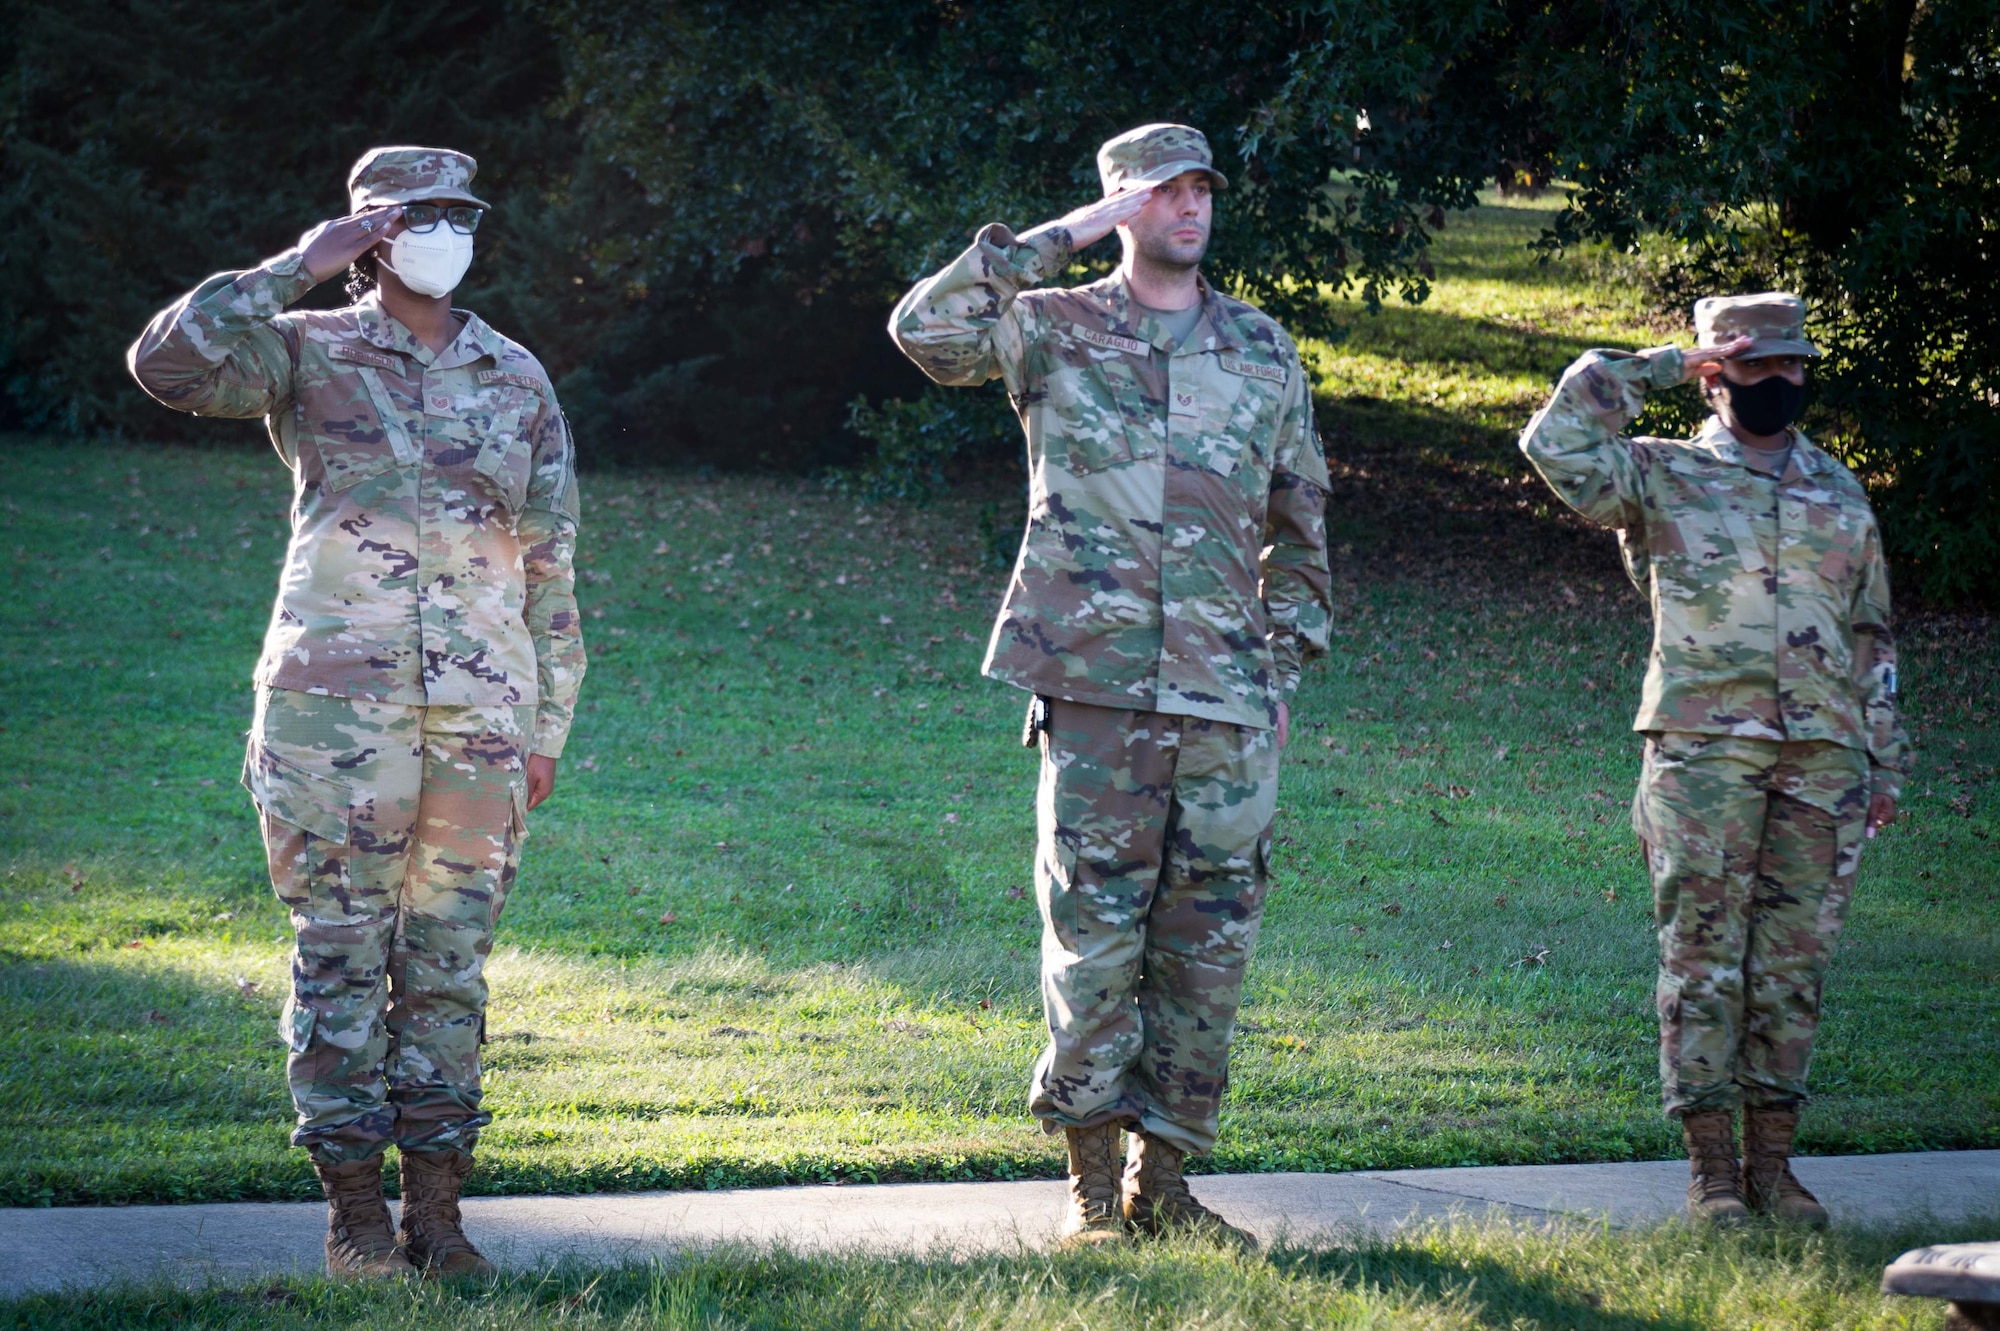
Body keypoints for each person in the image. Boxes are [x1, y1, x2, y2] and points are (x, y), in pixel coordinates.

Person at [128, 146, 586, 1278]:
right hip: (333, 717)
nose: (447, 233)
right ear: (372, 232)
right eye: (420, 215)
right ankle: (354, 1216)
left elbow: (551, 561)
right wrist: (294, 265)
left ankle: (437, 1214)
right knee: (338, 956)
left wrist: (544, 726)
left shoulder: (513, 372)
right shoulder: (302, 348)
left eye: (461, 214)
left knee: (447, 967)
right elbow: (166, 367)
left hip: (479, 718)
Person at [890, 124, 1332, 1247]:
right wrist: (1070, 232)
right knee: (1092, 940)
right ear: (1123, 204)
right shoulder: (1050, 327)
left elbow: (1301, 521)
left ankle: (1165, 1184)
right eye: (1162, 192)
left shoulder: (1261, 349)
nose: (1188, 207)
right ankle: (1090, 1191)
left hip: (1226, 700)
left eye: (1199, 190)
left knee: (1209, 945)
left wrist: (1280, 666)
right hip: (1090, 690)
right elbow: (925, 331)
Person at [1519, 293, 1909, 1224]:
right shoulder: (1660, 476)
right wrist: (1656, 366)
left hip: (1823, 757)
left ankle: (1774, 1166)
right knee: (1702, 960)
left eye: (1790, 366)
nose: (1777, 381)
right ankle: (1713, 1174)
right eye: (1755, 364)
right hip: (1701, 751)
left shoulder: (1840, 490)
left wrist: (1884, 759)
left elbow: (1871, 633)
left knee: (1792, 966)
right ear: (1716, 372)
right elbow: (1553, 443)